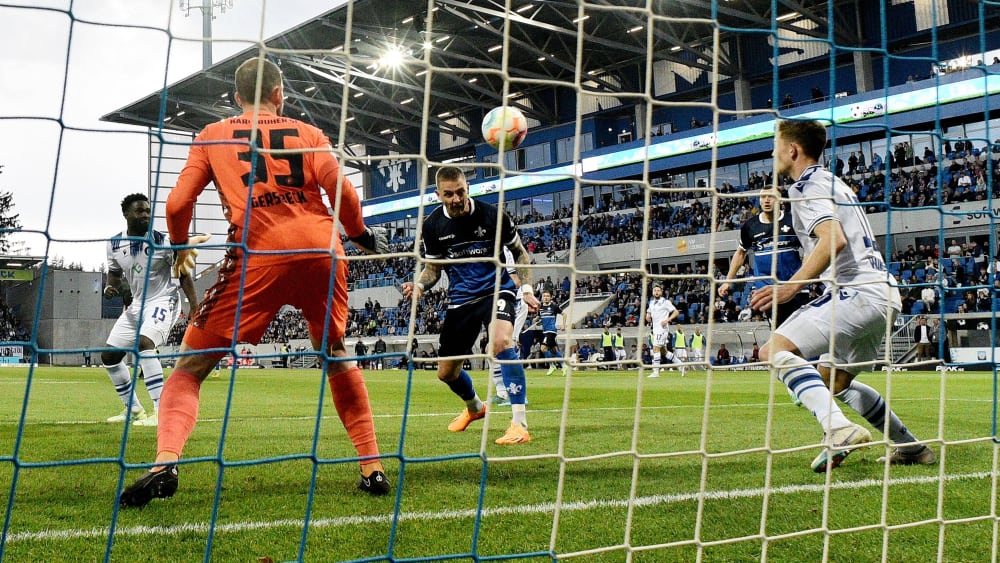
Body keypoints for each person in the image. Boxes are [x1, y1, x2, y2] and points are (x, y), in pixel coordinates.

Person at [120, 57, 392, 508]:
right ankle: (372, 466)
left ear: (235, 98)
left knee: (189, 369)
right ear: (280, 95)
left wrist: (182, 244)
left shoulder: (212, 135)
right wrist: (360, 233)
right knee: (335, 352)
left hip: (259, 254)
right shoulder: (309, 134)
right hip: (322, 249)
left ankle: (164, 464)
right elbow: (341, 191)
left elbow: (176, 203)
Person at [751, 119, 935, 473]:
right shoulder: (833, 181)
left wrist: (791, 286)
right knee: (832, 383)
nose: (772, 153)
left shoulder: (805, 186)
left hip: (856, 292)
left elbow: (832, 239)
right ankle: (911, 448)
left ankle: (838, 430)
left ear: (792, 150)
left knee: (771, 351)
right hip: (883, 296)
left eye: (776, 145)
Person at [400, 165, 540, 445]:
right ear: (438, 194)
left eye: (461, 191)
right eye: (449, 194)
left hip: (497, 290)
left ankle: (519, 425)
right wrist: (419, 284)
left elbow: (520, 253)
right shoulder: (433, 226)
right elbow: (433, 269)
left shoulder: (492, 215)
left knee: (500, 344)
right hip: (462, 299)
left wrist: (525, 288)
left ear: (468, 188)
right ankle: (476, 408)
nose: (456, 198)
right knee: (446, 373)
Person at [102, 193, 199, 428]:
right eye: (140, 211)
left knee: (145, 343)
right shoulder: (114, 243)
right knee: (109, 356)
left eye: (147, 210)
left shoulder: (162, 241)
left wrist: (195, 307)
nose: (145, 214)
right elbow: (115, 273)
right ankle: (133, 409)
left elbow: (183, 273)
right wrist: (110, 286)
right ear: (126, 214)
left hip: (164, 300)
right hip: (137, 305)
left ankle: (161, 411)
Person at [719, 185, 809, 328]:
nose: (766, 200)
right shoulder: (750, 226)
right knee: (781, 332)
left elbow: (809, 248)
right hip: (767, 290)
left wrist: (805, 273)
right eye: (763, 197)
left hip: (794, 287)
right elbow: (740, 253)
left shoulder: (793, 221)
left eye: (771, 197)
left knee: (801, 332)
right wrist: (728, 281)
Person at [488, 247, 531, 405]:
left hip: (514, 302)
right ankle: (502, 392)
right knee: (491, 348)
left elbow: (516, 279)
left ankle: (519, 394)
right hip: (496, 303)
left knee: (507, 346)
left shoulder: (504, 248)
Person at [645, 284, 678, 378]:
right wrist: (647, 316)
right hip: (655, 329)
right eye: (655, 290)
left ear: (661, 292)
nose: (656, 292)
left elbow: (676, 312)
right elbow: (648, 313)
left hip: (662, 329)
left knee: (655, 348)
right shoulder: (651, 303)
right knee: (664, 351)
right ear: (652, 292)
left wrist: (667, 320)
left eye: (658, 290)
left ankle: (655, 372)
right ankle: (681, 365)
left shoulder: (665, 302)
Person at [537, 289, 569, 376]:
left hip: (551, 331)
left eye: (547, 296)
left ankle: (552, 365)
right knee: (554, 351)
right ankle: (563, 365)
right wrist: (536, 319)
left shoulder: (554, 307)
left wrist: (563, 325)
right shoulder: (540, 308)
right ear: (542, 297)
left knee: (543, 348)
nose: (546, 298)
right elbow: (540, 317)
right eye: (544, 296)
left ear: (550, 298)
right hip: (545, 331)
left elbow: (564, 314)